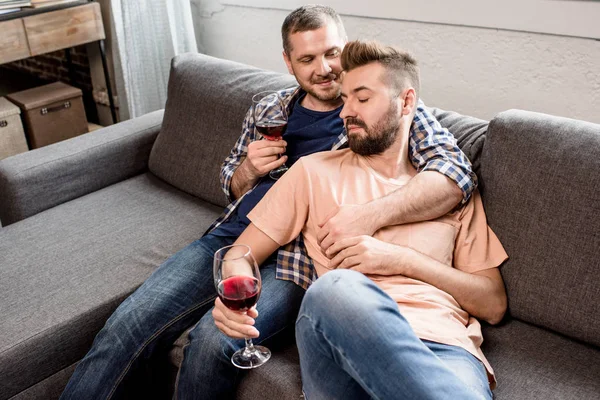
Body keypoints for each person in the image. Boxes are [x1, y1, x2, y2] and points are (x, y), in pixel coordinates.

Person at [60, 5, 477, 399]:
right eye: (307, 59)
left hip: (293, 261)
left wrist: (365, 216)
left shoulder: (375, 110)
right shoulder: (268, 108)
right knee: (127, 325)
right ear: (288, 62)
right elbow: (230, 183)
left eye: (332, 52)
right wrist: (248, 169)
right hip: (231, 237)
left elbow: (456, 174)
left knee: (214, 341)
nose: (324, 68)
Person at [213, 40, 508, 399]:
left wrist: (400, 260)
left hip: (444, 347)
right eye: (345, 98)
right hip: (338, 339)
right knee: (334, 290)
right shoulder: (313, 171)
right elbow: (239, 253)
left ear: (406, 102)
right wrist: (233, 296)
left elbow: (493, 304)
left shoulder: (449, 191)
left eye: (362, 99)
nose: (345, 112)